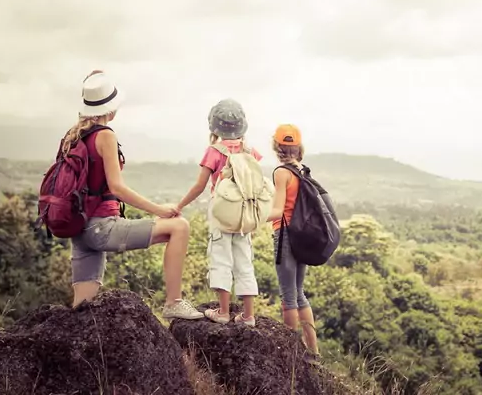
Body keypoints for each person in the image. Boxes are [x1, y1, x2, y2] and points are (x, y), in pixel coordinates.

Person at [68, 70, 203, 321]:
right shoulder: (105, 135)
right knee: (179, 227)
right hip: (102, 229)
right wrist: (158, 209)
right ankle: (173, 302)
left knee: (81, 312)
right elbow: (117, 188)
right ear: (111, 109)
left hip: (80, 230)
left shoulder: (75, 135)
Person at [177, 99, 262, 326]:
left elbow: (199, 186)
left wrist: (179, 206)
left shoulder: (213, 152)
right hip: (244, 216)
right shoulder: (250, 151)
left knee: (221, 259)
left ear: (214, 126)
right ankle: (248, 316)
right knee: (244, 261)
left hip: (221, 214)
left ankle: (223, 312)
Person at [268, 124, 320, 362]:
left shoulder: (281, 172)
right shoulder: (303, 170)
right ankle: (313, 352)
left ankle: (292, 354)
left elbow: (278, 210)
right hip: (304, 237)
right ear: (298, 146)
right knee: (300, 294)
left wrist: (252, 217)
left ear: (277, 146)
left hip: (286, 236)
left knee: (288, 295)